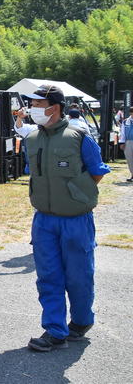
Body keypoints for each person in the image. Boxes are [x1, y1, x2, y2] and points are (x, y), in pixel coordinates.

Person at [22, 84, 110, 352]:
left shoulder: (79, 136)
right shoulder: (32, 138)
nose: (33, 109)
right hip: (44, 220)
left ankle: (82, 321)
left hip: (76, 220)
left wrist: (75, 195)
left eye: (37, 104)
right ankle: (55, 331)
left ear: (54, 107)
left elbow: (97, 171)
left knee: (79, 276)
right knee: (48, 276)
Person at [120, 108, 133, 181]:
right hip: (128, 142)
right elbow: (123, 133)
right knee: (129, 159)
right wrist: (122, 142)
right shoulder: (125, 122)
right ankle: (132, 174)